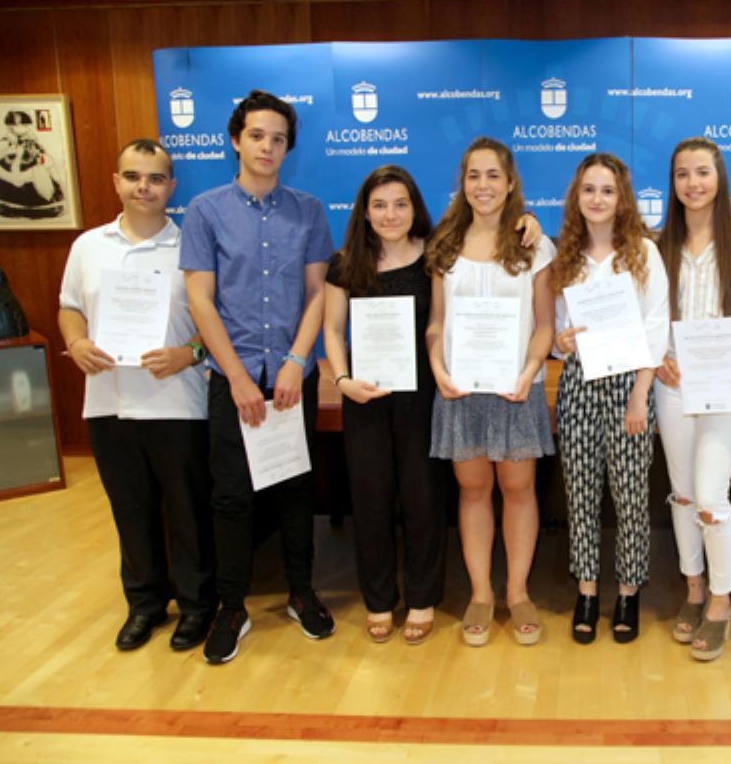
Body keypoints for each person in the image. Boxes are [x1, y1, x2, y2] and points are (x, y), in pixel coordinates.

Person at [321, 165, 543, 645]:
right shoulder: (345, 264)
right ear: (363, 211)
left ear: (415, 207)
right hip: (366, 396)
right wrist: (342, 380)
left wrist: (530, 219)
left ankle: (423, 599)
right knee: (371, 498)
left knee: (424, 498)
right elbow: (332, 331)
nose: (390, 214)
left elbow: (447, 314)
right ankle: (379, 600)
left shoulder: (435, 253)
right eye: (378, 205)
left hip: (427, 394)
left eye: (400, 204)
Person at [181, 89, 336, 664]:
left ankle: (302, 591)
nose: (267, 147)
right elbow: (200, 299)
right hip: (233, 375)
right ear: (235, 139)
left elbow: (319, 292)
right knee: (231, 496)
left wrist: (297, 361)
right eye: (257, 136)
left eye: (278, 138)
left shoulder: (309, 211)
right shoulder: (206, 211)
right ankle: (232, 605)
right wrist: (238, 377)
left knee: (297, 486)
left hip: (294, 374)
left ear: (288, 147)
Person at [58, 138, 215, 652]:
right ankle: (145, 605)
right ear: (116, 182)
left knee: (187, 512)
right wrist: (76, 341)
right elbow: (69, 307)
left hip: (177, 399)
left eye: (154, 178)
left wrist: (188, 353)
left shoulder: (192, 244)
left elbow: (216, 322)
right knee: (130, 508)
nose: (142, 186)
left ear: (171, 187)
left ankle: (196, 606)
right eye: (132, 176)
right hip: (108, 399)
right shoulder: (88, 246)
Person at [425, 137, 556, 647]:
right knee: (473, 490)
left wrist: (528, 372)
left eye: (493, 175)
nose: (483, 186)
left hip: (516, 390)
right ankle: (480, 593)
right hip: (460, 389)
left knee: (519, 489)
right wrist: (436, 363)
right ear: (463, 182)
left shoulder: (533, 245)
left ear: (510, 182)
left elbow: (544, 325)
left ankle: (518, 592)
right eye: (474, 175)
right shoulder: (443, 246)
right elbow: (436, 322)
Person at [654, 137, 731, 662]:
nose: (693, 183)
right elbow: (651, 316)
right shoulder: (657, 243)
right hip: (672, 382)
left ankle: (722, 601)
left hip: (722, 384)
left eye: (703, 172)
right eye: (683, 174)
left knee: (709, 497)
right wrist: (657, 354)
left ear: (719, 178)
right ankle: (694, 589)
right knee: (681, 495)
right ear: (673, 182)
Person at [550, 153, 669, 645]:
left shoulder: (643, 251)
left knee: (630, 498)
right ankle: (585, 590)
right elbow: (557, 330)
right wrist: (563, 342)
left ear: (622, 200)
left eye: (607, 190)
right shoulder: (566, 257)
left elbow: (656, 325)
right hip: (578, 383)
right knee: (579, 494)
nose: (597, 199)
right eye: (588, 190)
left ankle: (627, 592)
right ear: (576, 199)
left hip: (629, 387)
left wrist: (640, 396)